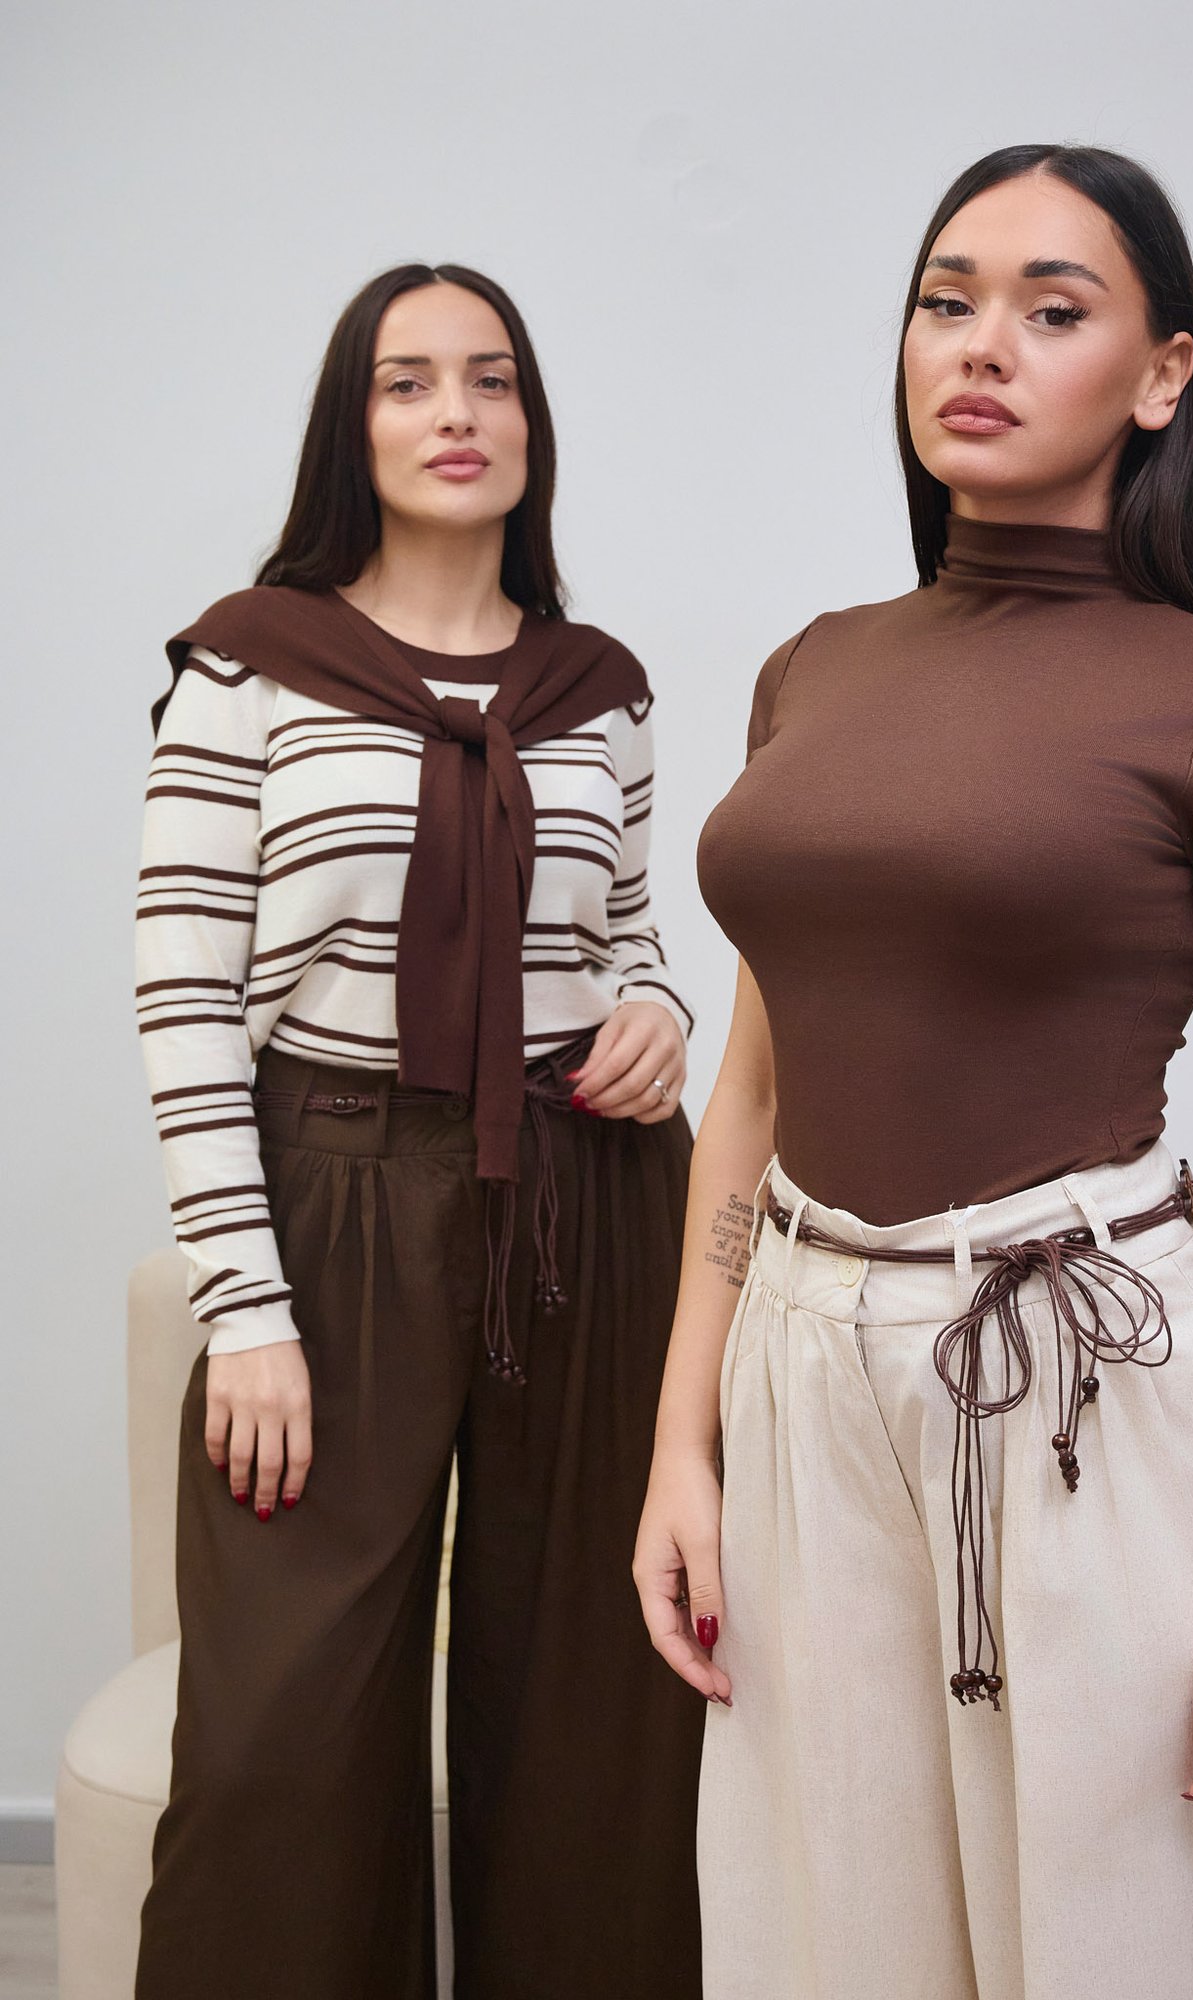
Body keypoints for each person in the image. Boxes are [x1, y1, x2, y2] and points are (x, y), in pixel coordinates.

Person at [636, 147, 1193, 1999]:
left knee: (1147, 1946)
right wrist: (681, 1442)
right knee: (828, 1942)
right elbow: (753, 1098)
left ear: (1163, 374)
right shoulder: (814, 673)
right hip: (805, 1368)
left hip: (1078, 1384)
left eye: (1054, 310)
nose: (982, 345)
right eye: (947, 300)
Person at [135, 262, 704, 1998]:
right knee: (284, 1734)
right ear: (354, 426)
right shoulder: (249, 665)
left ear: (533, 422)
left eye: (492, 377)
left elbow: (625, 936)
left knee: (602, 1709)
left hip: (588, 1206)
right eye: (408, 381)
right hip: (337, 1200)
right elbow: (183, 1004)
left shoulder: (601, 688)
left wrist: (664, 1014)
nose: (457, 412)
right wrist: (246, 1308)